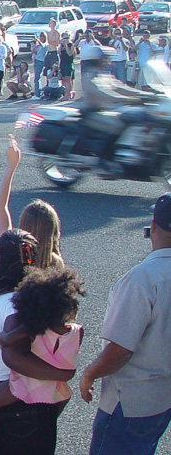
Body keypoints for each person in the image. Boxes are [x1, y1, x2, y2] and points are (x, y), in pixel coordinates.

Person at [0, 229, 73, 454]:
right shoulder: (20, 302)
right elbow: (15, 356)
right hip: (11, 396)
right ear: (35, 260)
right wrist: (63, 374)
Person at [79, 192, 171, 454]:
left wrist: (90, 373)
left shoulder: (141, 280)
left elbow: (120, 350)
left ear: (153, 226)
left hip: (129, 401)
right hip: (163, 399)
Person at [0, 266, 84, 455]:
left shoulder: (34, 327)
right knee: (49, 418)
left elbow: (6, 340)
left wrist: (3, 334)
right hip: (56, 389)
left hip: (27, 385)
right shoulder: (77, 331)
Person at [0, 134, 64, 268]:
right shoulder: (55, 263)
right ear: (54, 231)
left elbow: (0, 207)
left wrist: (11, 166)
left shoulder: (11, 252)